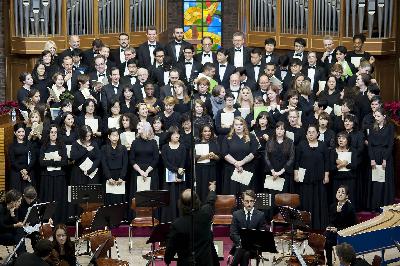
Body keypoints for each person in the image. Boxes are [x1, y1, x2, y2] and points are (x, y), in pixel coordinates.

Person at [164, 182, 217, 266]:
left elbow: (171, 247)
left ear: (181, 204)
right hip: (206, 262)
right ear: (197, 201)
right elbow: (211, 200)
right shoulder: (206, 214)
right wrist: (212, 189)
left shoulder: (177, 225)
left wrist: (167, 259)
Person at [230, 190, 266, 266]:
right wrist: (241, 241)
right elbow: (233, 233)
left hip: (254, 247)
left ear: (254, 201)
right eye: (246, 201)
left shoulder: (261, 215)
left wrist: (249, 242)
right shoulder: (236, 214)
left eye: (251, 201)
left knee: (245, 250)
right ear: (242, 201)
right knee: (245, 253)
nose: (249, 204)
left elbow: (262, 235)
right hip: (239, 245)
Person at [325, 186, 357, 266]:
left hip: (345, 232)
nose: (340, 194)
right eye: (338, 192)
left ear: (346, 196)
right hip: (335, 231)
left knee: (329, 241)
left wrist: (337, 229)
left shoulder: (350, 207)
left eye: (343, 192)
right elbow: (332, 220)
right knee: (325, 240)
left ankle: (348, 262)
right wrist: (329, 226)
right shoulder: (333, 206)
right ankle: (329, 263)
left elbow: (352, 226)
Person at [0, 189, 25, 254]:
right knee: (18, 235)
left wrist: (12, 215)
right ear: (12, 202)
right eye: (18, 201)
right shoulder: (1, 208)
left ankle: (21, 255)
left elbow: (15, 222)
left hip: (8, 230)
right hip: (1, 233)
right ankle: (21, 255)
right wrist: (14, 225)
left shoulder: (14, 208)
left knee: (20, 230)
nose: (20, 203)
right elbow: (1, 227)